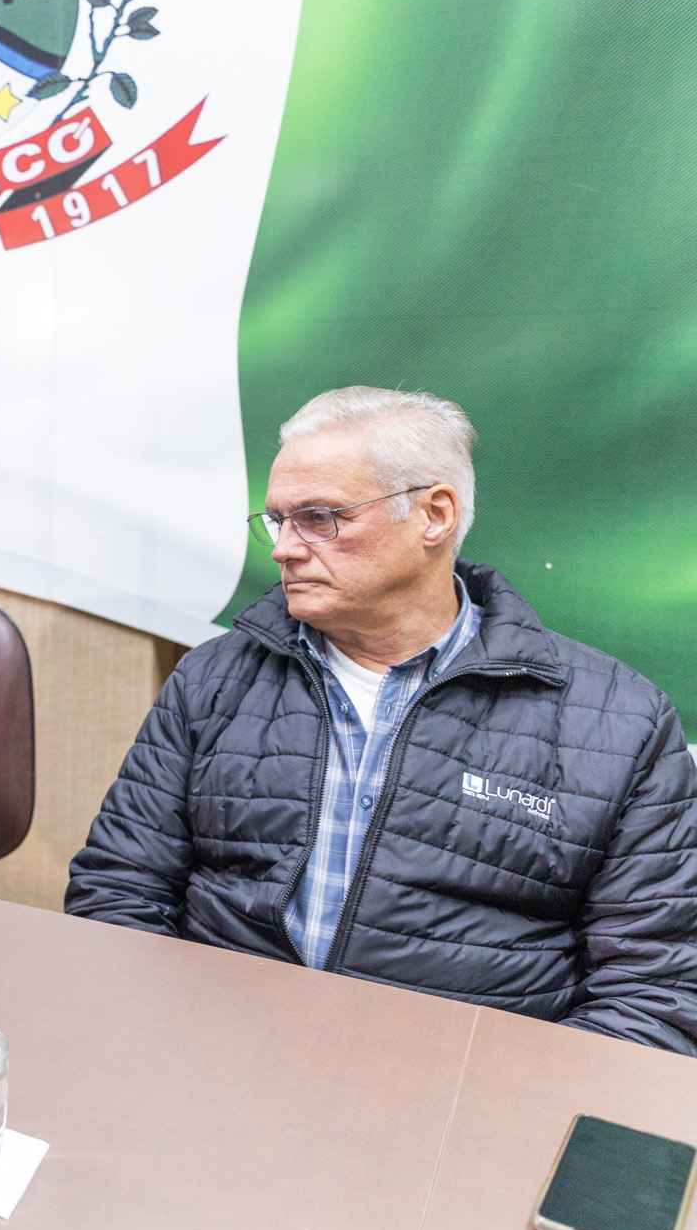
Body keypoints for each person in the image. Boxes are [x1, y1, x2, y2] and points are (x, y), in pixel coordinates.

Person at [66, 387, 697, 1051]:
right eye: (278, 520)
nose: (284, 548)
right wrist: (165, 1047)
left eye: (319, 517)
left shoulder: (618, 724)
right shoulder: (215, 677)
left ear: (434, 515)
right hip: (214, 1060)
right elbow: (118, 890)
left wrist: (505, 1104)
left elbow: (656, 991)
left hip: (469, 1094)